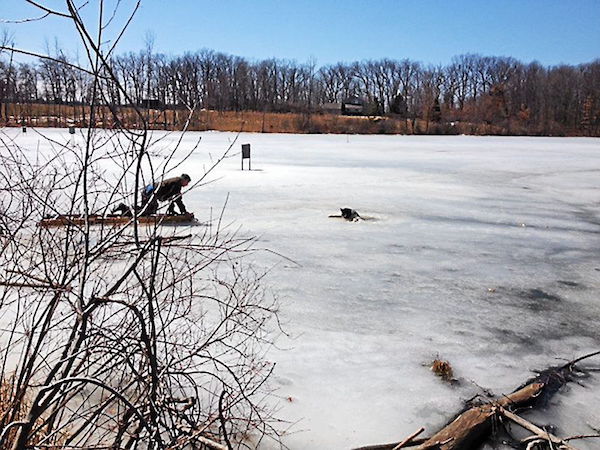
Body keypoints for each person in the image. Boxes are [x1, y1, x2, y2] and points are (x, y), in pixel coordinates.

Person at [113, 173, 191, 216]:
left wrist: (171, 210)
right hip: (152, 192)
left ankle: (127, 210)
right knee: (147, 212)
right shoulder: (176, 184)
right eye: (187, 182)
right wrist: (183, 212)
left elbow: (170, 197)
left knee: (146, 210)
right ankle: (124, 208)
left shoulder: (175, 181)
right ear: (184, 180)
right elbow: (176, 199)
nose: (186, 185)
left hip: (148, 189)